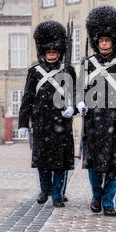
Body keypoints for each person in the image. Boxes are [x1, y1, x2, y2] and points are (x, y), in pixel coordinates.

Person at [77, 5, 116, 216]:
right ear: (97, 41)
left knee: (114, 166)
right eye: (101, 40)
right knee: (95, 165)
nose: (104, 43)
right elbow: (78, 88)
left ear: (113, 41)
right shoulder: (87, 64)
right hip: (94, 120)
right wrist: (79, 102)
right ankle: (97, 195)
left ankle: (109, 202)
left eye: (107, 40)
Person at [18, 20, 76, 208]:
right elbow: (27, 98)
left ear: (59, 52)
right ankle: (45, 189)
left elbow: (76, 95)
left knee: (60, 163)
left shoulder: (69, 70)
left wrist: (72, 108)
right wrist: (23, 123)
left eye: (54, 52)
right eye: (48, 52)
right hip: (42, 123)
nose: (51, 55)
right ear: (43, 52)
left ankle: (58, 194)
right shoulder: (34, 72)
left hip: (61, 123)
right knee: (42, 162)